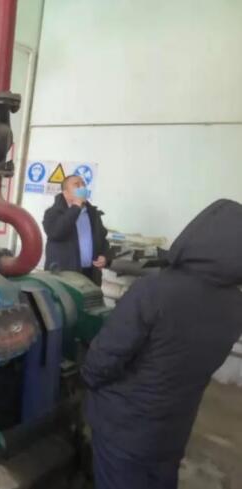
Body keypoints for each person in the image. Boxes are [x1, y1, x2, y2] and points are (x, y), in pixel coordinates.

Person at [81, 199, 242, 489]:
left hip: (123, 428)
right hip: (174, 427)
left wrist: (89, 381)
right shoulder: (235, 304)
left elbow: (103, 357)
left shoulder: (154, 290)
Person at [42, 175, 110, 285]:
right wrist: (76, 206)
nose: (82, 187)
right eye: (77, 185)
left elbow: (103, 240)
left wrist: (104, 256)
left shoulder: (92, 214)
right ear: (65, 193)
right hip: (64, 276)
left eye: (83, 184)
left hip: (90, 275)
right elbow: (56, 233)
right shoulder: (53, 213)